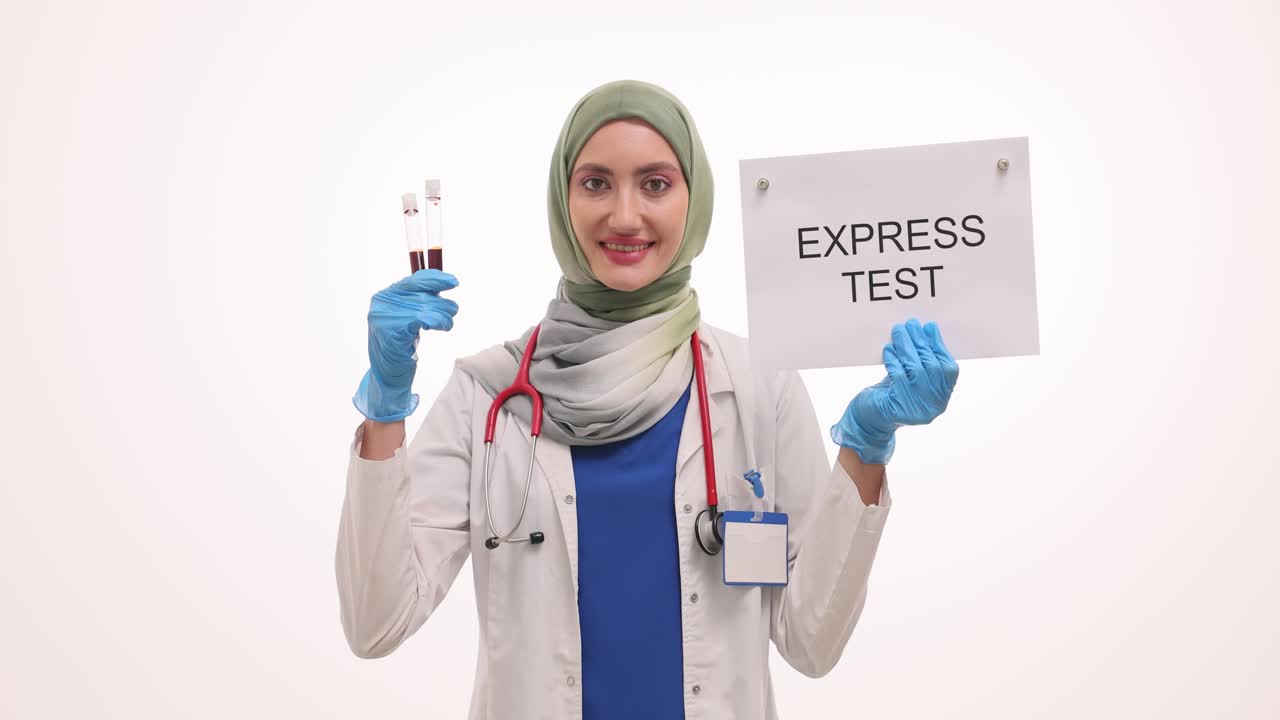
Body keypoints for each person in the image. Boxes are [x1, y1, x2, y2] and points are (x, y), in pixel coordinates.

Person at [336, 79, 959, 720]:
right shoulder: (488, 395)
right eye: (596, 183)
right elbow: (376, 624)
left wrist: (865, 447)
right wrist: (384, 411)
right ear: (562, 199)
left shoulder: (758, 385)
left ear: (695, 201)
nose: (625, 216)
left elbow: (811, 640)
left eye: (656, 184)